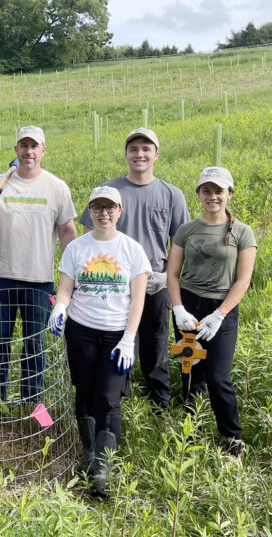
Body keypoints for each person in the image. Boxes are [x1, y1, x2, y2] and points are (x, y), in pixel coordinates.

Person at [48, 186, 150, 497]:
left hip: (117, 334)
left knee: (108, 397)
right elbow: (66, 288)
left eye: (110, 208)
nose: (103, 213)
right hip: (81, 330)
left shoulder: (132, 250)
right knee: (84, 391)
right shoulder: (77, 248)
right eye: (97, 207)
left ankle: (103, 468)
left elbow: (138, 299)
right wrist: (60, 307)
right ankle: (89, 455)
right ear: (89, 211)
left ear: (120, 211)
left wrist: (129, 338)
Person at [79, 128, 189, 414]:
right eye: (133, 149)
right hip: (113, 285)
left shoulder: (172, 195)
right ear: (126, 154)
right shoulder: (108, 192)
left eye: (146, 148)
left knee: (155, 347)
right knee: (118, 343)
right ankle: (115, 405)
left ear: (156, 154)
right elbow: (88, 238)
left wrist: (167, 277)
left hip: (154, 285)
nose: (139, 154)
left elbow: (178, 244)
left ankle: (160, 408)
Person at [0, 126, 77, 403]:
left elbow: (67, 231)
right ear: (16, 149)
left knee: (34, 343)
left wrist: (71, 274)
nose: (29, 151)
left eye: (34, 146)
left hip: (39, 280)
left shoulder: (56, 187)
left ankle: (31, 402)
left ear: (43, 151)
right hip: (1, 277)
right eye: (24, 146)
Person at [166, 167, 256, 456]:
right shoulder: (187, 230)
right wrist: (178, 308)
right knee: (190, 371)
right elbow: (172, 274)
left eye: (219, 190)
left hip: (221, 309)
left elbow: (243, 280)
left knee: (218, 377)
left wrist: (220, 314)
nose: (212, 196)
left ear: (229, 194)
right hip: (188, 306)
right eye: (206, 190)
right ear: (198, 194)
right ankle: (191, 432)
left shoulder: (242, 232)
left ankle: (232, 437)